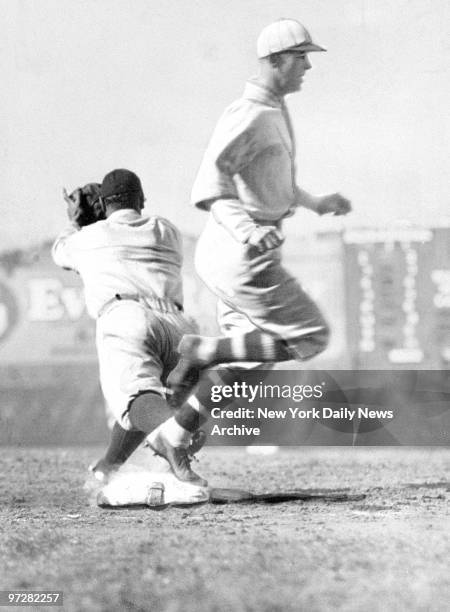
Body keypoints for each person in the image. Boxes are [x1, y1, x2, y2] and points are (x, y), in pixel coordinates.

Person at [167, 18, 352, 430]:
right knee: (311, 338)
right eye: (301, 57)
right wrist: (249, 229)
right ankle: (204, 352)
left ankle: (175, 439)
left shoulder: (272, 109)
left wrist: (316, 202)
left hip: (237, 250)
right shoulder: (250, 114)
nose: (308, 66)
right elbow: (210, 186)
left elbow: (269, 183)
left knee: (252, 359)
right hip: (240, 252)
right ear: (276, 60)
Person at [52, 169, 207, 486]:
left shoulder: (87, 238)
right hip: (178, 327)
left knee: (137, 398)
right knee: (149, 399)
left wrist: (77, 219)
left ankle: (173, 444)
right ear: (142, 200)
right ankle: (109, 466)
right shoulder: (166, 230)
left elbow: (61, 252)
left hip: (128, 318)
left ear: (103, 204)